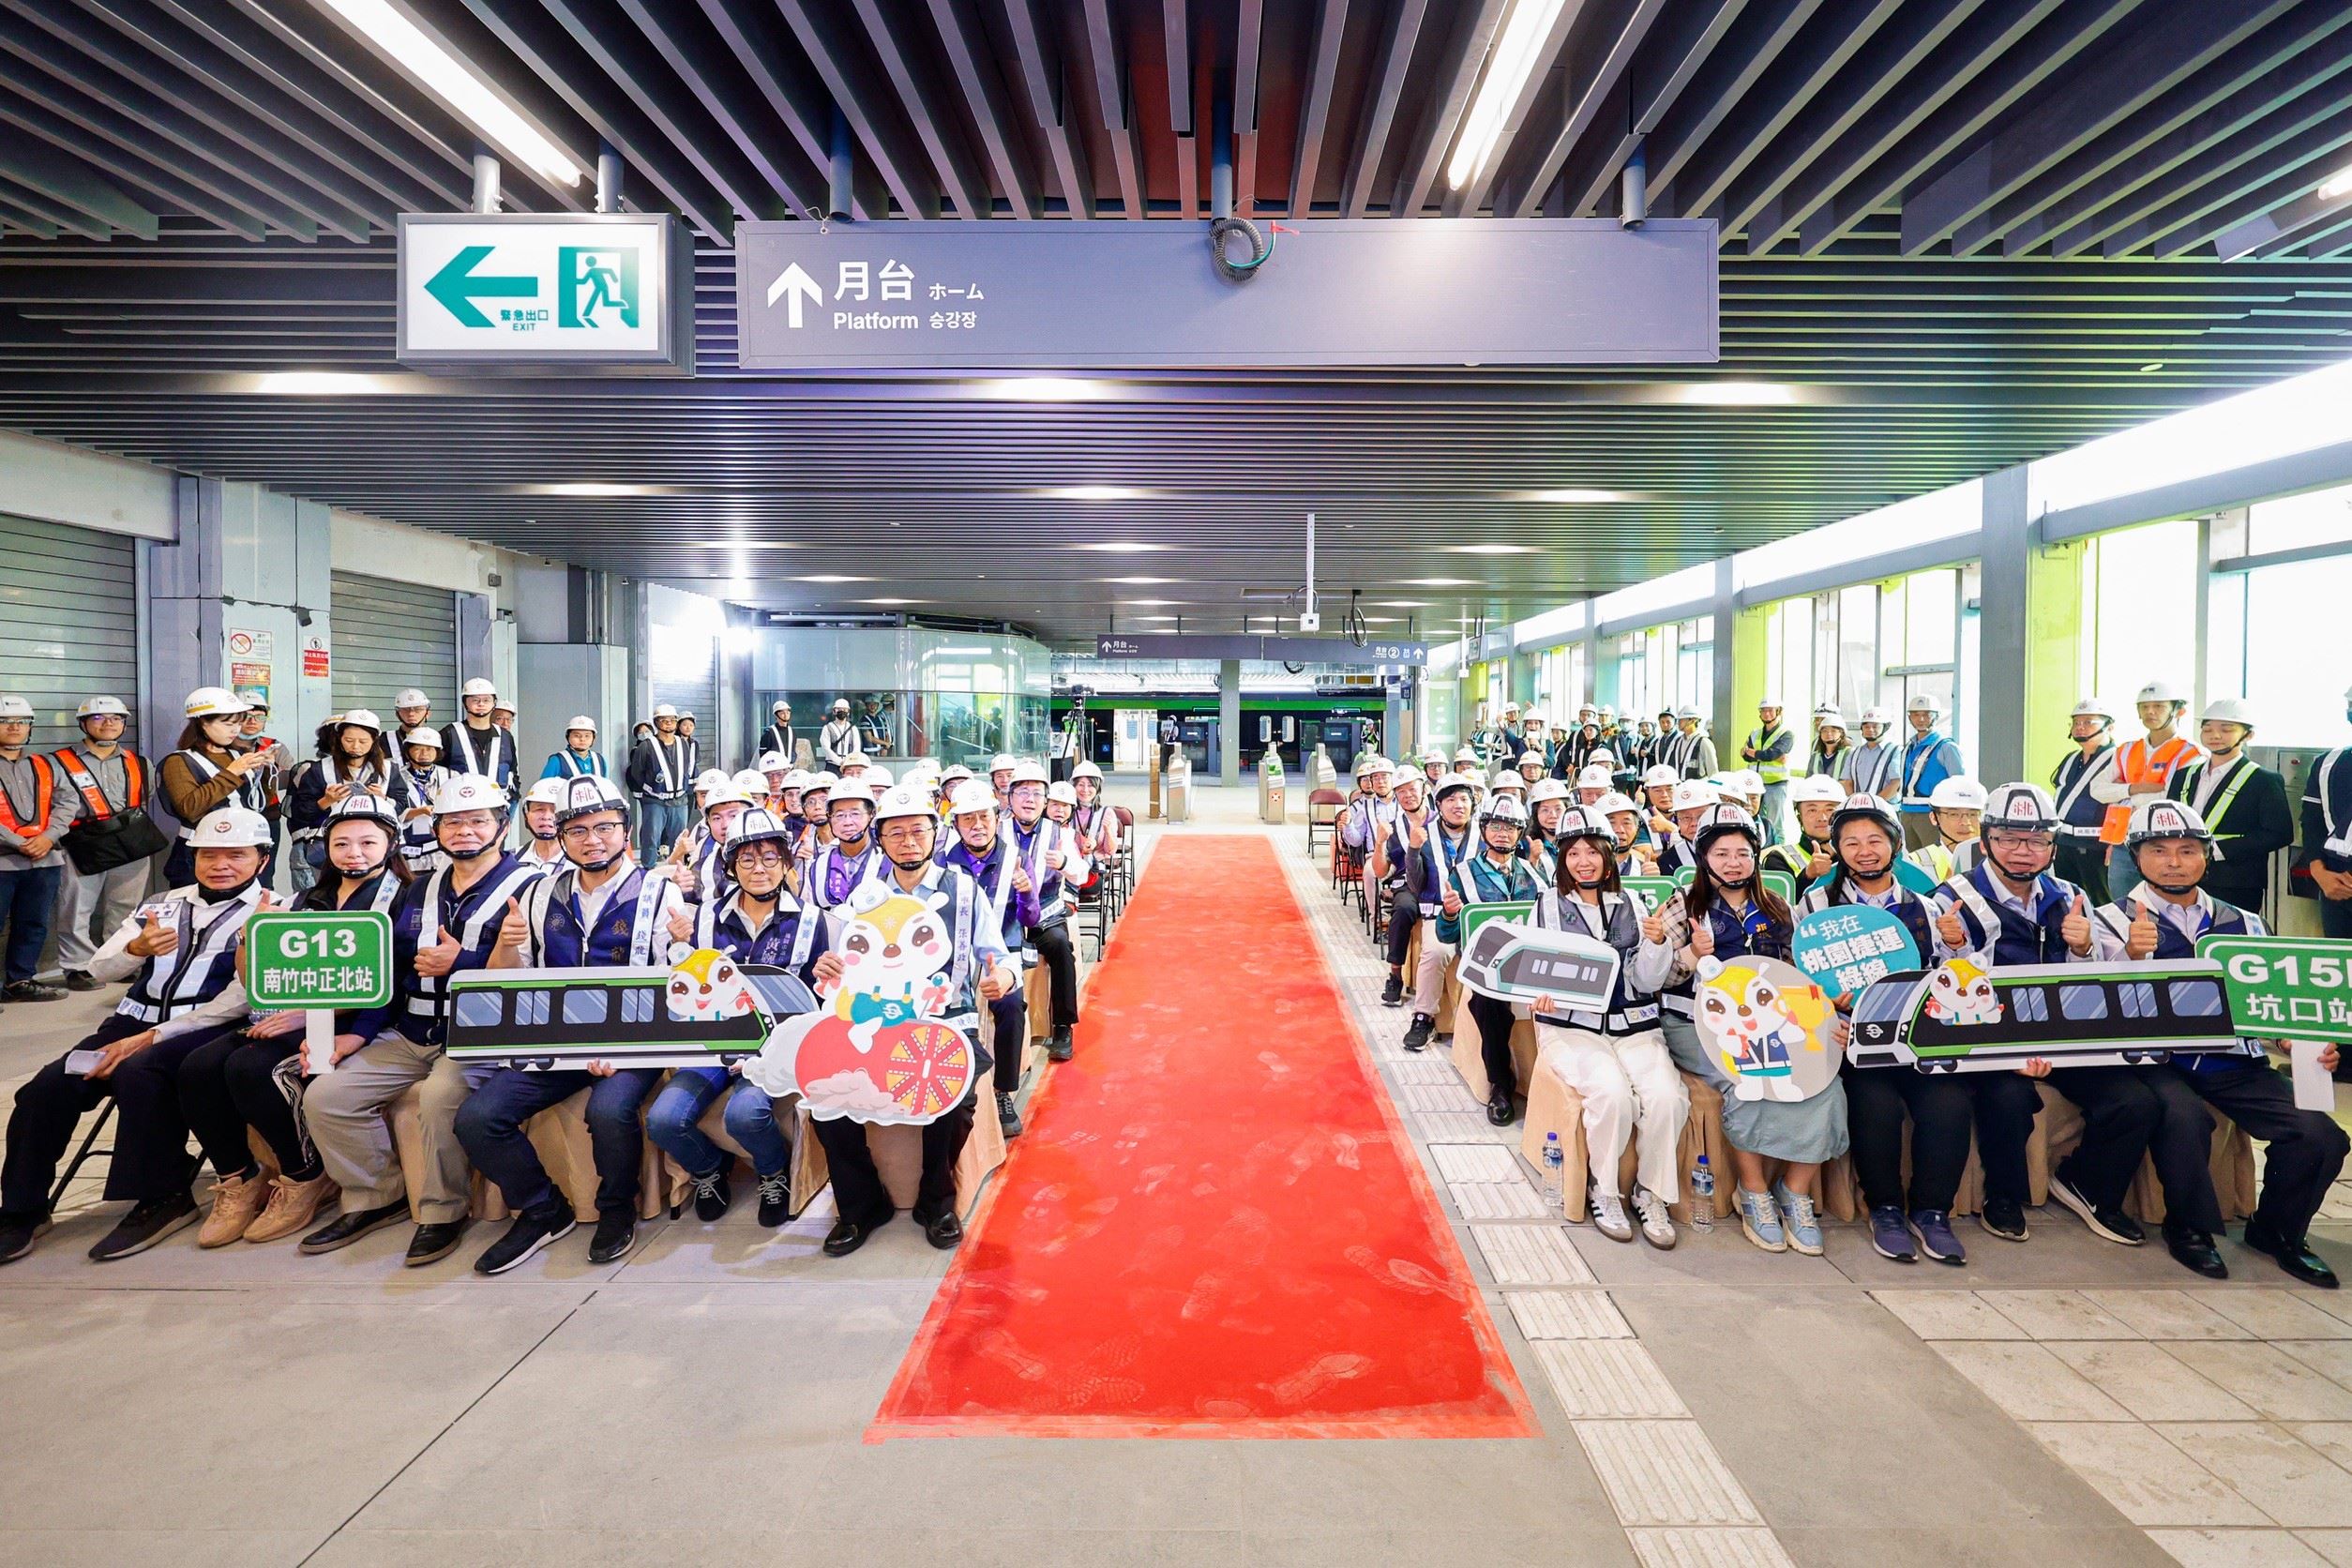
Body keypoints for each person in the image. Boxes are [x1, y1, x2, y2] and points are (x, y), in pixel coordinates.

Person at [2084, 800, 2344, 1288]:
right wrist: (2129, 956)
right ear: (2136, 857)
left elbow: (2274, 1004)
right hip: (2156, 1061)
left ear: (2207, 855)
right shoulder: (2107, 921)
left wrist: (2297, 1041)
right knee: (2184, 1119)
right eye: (2158, 850)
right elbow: (2095, 1010)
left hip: (2234, 1061)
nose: (2174, 861)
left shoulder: (2246, 923)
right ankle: (2191, 1230)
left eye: (2188, 850)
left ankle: (2278, 1232)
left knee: (2323, 1136)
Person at [0, 807, 274, 1264]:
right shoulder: (161, 904)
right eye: (209, 854)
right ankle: (22, 1208)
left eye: (236, 855)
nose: (221, 864)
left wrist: (156, 1036)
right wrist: (135, 949)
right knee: (46, 1087)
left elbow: (244, 997)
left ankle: (163, 1196)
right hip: (129, 1020)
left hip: (206, 1028)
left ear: (262, 860)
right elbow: (98, 968)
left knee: (139, 1075)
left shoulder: (276, 910)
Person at [295, 774, 542, 1266]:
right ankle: (375, 1196)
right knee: (326, 1096)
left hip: (480, 1035)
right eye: (452, 821)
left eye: (478, 821)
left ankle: (441, 1212)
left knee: (438, 1097)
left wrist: (464, 965)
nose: (464, 831)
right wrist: (358, 1034)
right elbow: (392, 971)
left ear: (502, 824)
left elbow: (536, 978)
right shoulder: (420, 887)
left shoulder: (532, 886)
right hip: (410, 1030)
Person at [462, 775, 685, 1274]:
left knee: (609, 1110)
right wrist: (506, 943)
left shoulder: (659, 891)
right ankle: (543, 1209)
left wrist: (685, 944)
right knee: (478, 1117)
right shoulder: (539, 894)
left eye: (604, 827)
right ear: (560, 838)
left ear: (626, 830)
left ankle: (616, 1209)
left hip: (636, 1043)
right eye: (578, 830)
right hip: (557, 1043)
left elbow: (680, 989)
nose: (592, 839)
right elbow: (507, 980)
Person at [182, 795, 411, 1249]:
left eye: (368, 842)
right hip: (295, 1012)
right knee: (197, 1067)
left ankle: (305, 1174)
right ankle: (239, 1177)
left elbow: (394, 981)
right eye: (342, 843)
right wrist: (253, 934)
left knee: (250, 1069)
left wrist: (312, 1014)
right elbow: (258, 981)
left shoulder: (406, 898)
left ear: (391, 844)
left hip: (361, 1019)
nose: (355, 853)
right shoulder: (306, 898)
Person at [1796, 792, 2004, 1265]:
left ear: (1894, 844)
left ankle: (1933, 1212)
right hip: (1852, 1040)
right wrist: (1829, 1006)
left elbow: (1955, 981)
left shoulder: (1930, 908)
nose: (1864, 851)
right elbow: (1800, 979)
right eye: (1851, 842)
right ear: (1837, 849)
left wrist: (1956, 946)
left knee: (1949, 1104)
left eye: (1875, 840)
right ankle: (1885, 1209)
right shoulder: (1814, 905)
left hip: (1918, 1038)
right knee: (1875, 1105)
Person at [811, 784, 1017, 1257]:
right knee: (823, 1093)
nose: (908, 841)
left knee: (955, 1095)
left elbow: (996, 953)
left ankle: (936, 1201)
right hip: (872, 1021)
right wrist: (828, 966)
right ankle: (861, 1206)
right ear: (880, 838)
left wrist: (1001, 975)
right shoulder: (865, 898)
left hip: (947, 1018)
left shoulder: (963, 890)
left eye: (918, 831)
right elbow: (840, 962)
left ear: (936, 834)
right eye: (896, 833)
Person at [1658, 803, 1847, 1256]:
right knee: (1747, 1082)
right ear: (1704, 857)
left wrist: (1827, 1002)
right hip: (1699, 1026)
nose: (1732, 862)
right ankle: (1754, 1191)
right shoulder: (1681, 906)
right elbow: (1653, 979)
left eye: (1742, 852)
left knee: (1826, 1084)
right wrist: (1688, 955)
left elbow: (1798, 973)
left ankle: (1796, 1192)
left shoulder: (1778, 908)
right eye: (1721, 853)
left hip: (1772, 1025)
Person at [1922, 782, 2092, 1260]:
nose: (2023, 851)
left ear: (2052, 847)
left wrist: (2081, 948)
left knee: (2135, 1097)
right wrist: (1952, 946)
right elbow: (1941, 989)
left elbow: (2095, 986)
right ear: (1986, 842)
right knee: (2009, 1095)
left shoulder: (2072, 897)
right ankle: (2003, 1196)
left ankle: (2088, 1186)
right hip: (1983, 1038)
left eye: (2037, 840)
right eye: (2010, 839)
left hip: (2061, 1035)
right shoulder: (1949, 899)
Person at [648, 807, 822, 1229]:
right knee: (664, 1119)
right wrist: (677, 951)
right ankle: (709, 1170)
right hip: (713, 1045)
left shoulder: (813, 922)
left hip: (775, 1050)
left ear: (785, 863)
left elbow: (820, 1001)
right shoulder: (703, 917)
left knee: (745, 1114)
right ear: (730, 865)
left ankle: (773, 1173)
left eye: (769, 858)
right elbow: (683, 989)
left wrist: (830, 974)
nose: (758, 869)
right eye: (746, 859)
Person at [1530, 805, 1683, 1246]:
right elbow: (1533, 969)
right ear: (1562, 859)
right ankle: (1605, 1189)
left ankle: (1652, 1192)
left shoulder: (1634, 904)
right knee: (1612, 1095)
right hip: (1572, 1027)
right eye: (1573, 852)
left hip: (1634, 1024)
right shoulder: (1547, 906)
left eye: (1592, 851)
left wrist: (1657, 945)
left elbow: (1646, 980)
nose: (1584, 861)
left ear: (1608, 855)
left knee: (1667, 1098)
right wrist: (1537, 994)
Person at [51, 695, 164, 994]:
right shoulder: (58, 762)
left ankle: (118, 960)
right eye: (99, 718)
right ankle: (77, 966)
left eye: (116, 718)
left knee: (126, 904)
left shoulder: (139, 762)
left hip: (130, 839)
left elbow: (147, 794)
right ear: (83, 724)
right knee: (76, 906)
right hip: (81, 840)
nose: (109, 723)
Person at [941, 779, 1032, 1137]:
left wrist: (1027, 895)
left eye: (984, 817)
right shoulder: (941, 863)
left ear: (997, 818)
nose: (977, 826)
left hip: (1000, 950)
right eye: (968, 820)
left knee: (1011, 1004)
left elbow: (1031, 920)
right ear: (956, 825)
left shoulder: (1015, 857)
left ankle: (1004, 1089)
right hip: (955, 956)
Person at [1447, 794, 1545, 1125]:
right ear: (1484, 829)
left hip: (1531, 962)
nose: (1502, 833)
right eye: (1496, 826)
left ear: (1520, 834)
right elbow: (1449, 936)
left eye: (1511, 828)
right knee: (1488, 1002)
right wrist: (1449, 915)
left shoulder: (1535, 873)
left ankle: (1553, 1083)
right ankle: (1500, 1085)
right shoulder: (1463, 873)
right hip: (1486, 968)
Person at [2165, 697, 2292, 920]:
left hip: (2235, 882)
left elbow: (2279, 834)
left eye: (2226, 729)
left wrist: (2217, 850)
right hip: (2180, 877)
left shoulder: (2264, 780)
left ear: (2248, 735)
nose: (2215, 736)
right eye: (2207, 729)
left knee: (2229, 942)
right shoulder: (2184, 776)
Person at [2092, 679, 2201, 902]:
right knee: (2123, 910)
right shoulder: (2127, 750)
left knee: (2163, 908)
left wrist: (2122, 791)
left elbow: (2173, 795)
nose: (2150, 712)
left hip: (2164, 843)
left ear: (2179, 710)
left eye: (2159, 706)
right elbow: (2097, 790)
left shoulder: (2190, 753)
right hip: (2124, 844)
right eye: (2144, 707)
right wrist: (2136, 788)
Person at [158, 686, 272, 889]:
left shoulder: (239, 755)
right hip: (200, 850)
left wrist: (262, 772)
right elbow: (190, 808)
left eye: (238, 723)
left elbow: (256, 803)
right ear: (203, 723)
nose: (235, 730)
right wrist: (232, 773)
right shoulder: (179, 761)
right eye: (228, 723)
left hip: (243, 846)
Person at [1004, 760, 1079, 1063]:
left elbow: (1080, 873)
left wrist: (1063, 863)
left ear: (1046, 801)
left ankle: (1063, 1027)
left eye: (1036, 793)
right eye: (1022, 792)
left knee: (1061, 947)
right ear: (1009, 798)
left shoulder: (1060, 833)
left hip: (1045, 916)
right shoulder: (995, 829)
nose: (1029, 800)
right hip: (1006, 918)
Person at [0, 694, 72, 1004]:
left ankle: (20, 981)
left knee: (33, 924)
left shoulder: (46, 764)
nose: (14, 727)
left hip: (46, 860)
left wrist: (48, 837)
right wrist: (19, 842)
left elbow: (68, 802)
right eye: (5, 722)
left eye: (22, 722)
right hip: (3, 862)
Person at [1400, 775, 1478, 1053]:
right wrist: (1413, 850)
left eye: (1464, 799)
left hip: (1478, 916)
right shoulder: (1426, 834)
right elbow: (1415, 885)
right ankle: (1424, 1017)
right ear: (1439, 805)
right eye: (1451, 800)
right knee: (1434, 952)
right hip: (1439, 915)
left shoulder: (1486, 835)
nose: (1459, 805)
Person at [285, 710, 391, 893]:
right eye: (349, 740)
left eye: (363, 741)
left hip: (375, 846)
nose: (355, 746)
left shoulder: (389, 769)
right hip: (325, 848)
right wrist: (326, 801)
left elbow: (403, 804)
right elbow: (298, 813)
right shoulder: (317, 770)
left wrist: (384, 800)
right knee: (321, 898)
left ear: (374, 741)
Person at [2048, 698, 2118, 903]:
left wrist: (2114, 843)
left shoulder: (2119, 759)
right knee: (2065, 899)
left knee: (2100, 902)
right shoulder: (2071, 758)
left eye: (2088, 722)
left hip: (2097, 845)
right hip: (2064, 843)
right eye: (2076, 722)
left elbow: (2122, 804)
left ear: (2109, 726)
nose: (2080, 727)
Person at [1372, 771, 1428, 1007]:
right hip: (1407, 884)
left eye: (1412, 789)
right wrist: (1380, 842)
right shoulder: (1394, 829)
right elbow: (1380, 871)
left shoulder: (1440, 820)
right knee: (1403, 908)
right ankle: (1395, 974)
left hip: (1439, 880)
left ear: (1424, 790)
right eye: (1401, 792)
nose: (1407, 796)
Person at [2301, 682, 2352, 943]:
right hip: (2334, 887)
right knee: (2340, 973)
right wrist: (2319, 873)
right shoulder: (2328, 763)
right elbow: (2311, 822)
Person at [626, 703, 692, 867]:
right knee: (651, 838)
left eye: (672, 720)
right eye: (664, 720)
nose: (669, 723)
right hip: (655, 801)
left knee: (678, 840)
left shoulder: (683, 743)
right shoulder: (646, 746)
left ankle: (677, 870)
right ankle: (648, 871)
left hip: (680, 801)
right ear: (656, 723)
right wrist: (651, 789)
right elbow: (636, 772)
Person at [1896, 693, 1965, 852]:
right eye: (1916, 715)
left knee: (1934, 860)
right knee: (1912, 861)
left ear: (1936, 717)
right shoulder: (1909, 746)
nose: (1921, 719)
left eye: (1926, 715)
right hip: (1907, 813)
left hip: (1931, 814)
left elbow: (1958, 783)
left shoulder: (1946, 746)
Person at [234, 699, 292, 879]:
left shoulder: (275, 746)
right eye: (247, 716)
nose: (253, 722)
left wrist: (270, 768)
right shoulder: (223, 746)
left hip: (268, 815)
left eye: (259, 717)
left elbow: (290, 780)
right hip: (234, 814)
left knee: (265, 872)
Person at [1763, 774, 1843, 896]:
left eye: (1830, 809)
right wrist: (1807, 876)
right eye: (1812, 810)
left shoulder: (1853, 856)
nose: (1822, 818)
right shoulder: (1779, 858)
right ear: (1799, 816)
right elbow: (1779, 906)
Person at [386, 727, 450, 875]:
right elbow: (391, 811)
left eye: (429, 749)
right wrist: (418, 812)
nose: (424, 754)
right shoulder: (395, 776)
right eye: (418, 749)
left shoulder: (450, 775)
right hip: (408, 850)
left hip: (442, 850)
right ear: (408, 751)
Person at [441, 678, 517, 795]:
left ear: (494, 703)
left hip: (497, 808)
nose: (481, 704)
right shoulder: (449, 734)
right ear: (464, 703)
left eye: (486, 700)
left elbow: (512, 772)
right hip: (461, 807)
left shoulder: (505, 737)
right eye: (475, 700)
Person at [1906, 776, 1986, 885]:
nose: (1965, 822)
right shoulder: (1915, 864)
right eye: (1954, 814)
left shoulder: (1998, 861)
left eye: (1973, 814)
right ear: (1934, 818)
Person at [1067, 761, 1120, 906]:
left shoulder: (1106, 813)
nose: (1085, 790)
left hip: (1093, 871)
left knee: (1066, 889)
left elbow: (1111, 851)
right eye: (1081, 784)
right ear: (1074, 787)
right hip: (1067, 868)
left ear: (1097, 788)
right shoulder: (1066, 810)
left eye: (1090, 785)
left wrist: (1108, 830)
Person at [1741, 698, 1795, 837]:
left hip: (1775, 784)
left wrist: (1760, 754)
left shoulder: (1786, 733)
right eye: (1763, 710)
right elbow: (1746, 755)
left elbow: (1771, 754)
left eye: (1770, 710)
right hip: (1754, 785)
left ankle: (1777, 854)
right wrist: (1766, 755)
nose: (1766, 714)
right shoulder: (1755, 733)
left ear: (1779, 712)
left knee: (1774, 823)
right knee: (1754, 820)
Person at [1653, 779, 1717, 878]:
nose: (1694, 823)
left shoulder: (1735, 850)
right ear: (1677, 820)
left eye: (1701, 816)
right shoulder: (1667, 861)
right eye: (1686, 818)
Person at [1841, 706, 1899, 797]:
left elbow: (1896, 783)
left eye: (1875, 726)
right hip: (1859, 809)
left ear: (1885, 727)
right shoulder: (1854, 753)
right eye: (1866, 726)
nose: (1870, 730)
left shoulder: (1895, 751)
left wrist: (1874, 804)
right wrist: (1855, 804)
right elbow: (1847, 782)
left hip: (1886, 808)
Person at [516, 776, 568, 868]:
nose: (546, 817)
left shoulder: (580, 863)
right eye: (539, 809)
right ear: (526, 814)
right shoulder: (510, 861)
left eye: (555, 810)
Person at [539, 716, 607, 780]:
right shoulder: (557, 760)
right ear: (568, 737)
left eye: (587, 736)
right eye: (577, 736)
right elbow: (544, 787)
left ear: (593, 738)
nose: (582, 739)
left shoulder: (599, 759)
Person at [1662, 705, 1716, 780]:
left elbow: (1713, 773)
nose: (1678, 723)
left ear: (1693, 720)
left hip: (1698, 788)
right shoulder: (1677, 742)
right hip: (1680, 787)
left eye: (1682, 720)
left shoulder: (1704, 742)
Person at [1807, 707, 1851, 779]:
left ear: (1841, 733)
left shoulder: (1849, 753)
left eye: (1833, 731)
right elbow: (1808, 779)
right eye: (1824, 731)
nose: (1829, 734)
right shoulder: (1815, 755)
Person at [820, 699, 862, 770]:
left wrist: (849, 761)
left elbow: (856, 747)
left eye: (844, 709)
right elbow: (826, 748)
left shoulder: (853, 728)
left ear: (848, 712)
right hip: (832, 764)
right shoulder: (827, 728)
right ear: (834, 711)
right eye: (838, 709)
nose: (842, 711)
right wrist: (840, 762)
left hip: (849, 765)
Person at [758, 700, 794, 766]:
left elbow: (792, 750)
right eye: (782, 713)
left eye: (787, 712)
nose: (786, 715)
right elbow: (763, 754)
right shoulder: (769, 732)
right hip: (774, 769)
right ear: (776, 715)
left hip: (788, 768)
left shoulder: (791, 731)